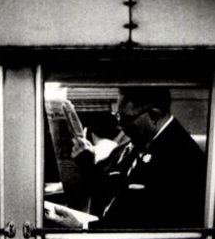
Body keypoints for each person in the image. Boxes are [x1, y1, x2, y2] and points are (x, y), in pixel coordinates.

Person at [49, 87, 206, 229]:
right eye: (118, 116)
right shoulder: (141, 141)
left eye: (126, 118)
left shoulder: (180, 157)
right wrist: (88, 163)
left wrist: (82, 227)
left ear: (154, 115)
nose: (120, 125)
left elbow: (141, 223)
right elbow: (112, 186)